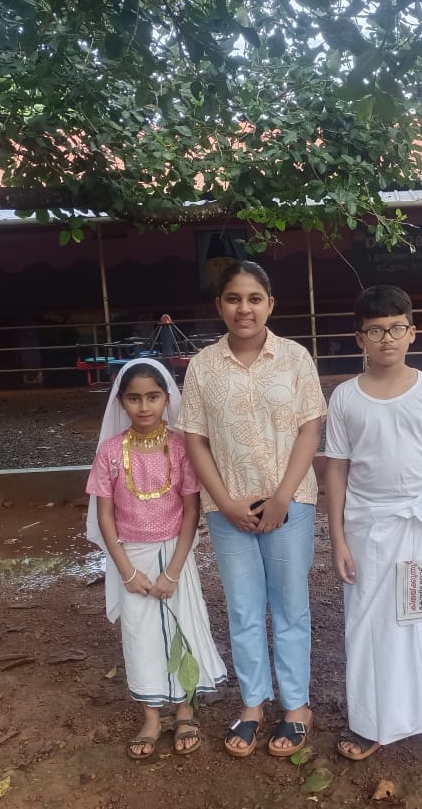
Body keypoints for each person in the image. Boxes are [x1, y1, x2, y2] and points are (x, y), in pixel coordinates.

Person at [177, 261, 326, 759]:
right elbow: (195, 439)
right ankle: (253, 704)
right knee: (242, 609)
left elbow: (310, 428)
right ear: (219, 305)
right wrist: (223, 502)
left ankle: (296, 706)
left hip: (290, 503)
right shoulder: (203, 367)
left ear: (270, 304)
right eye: (234, 298)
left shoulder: (295, 358)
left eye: (254, 298)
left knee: (289, 606)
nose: (245, 308)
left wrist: (282, 497)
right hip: (228, 508)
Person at [324, 285, 422, 763]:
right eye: (375, 331)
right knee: (372, 625)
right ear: (359, 338)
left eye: (395, 328)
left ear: (412, 332)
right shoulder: (345, 397)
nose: (386, 338)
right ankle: (373, 721)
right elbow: (336, 471)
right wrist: (337, 539)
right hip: (368, 527)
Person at [85, 359, 228, 760]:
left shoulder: (182, 448)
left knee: (185, 628)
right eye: (134, 398)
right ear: (121, 402)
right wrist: (126, 572)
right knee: (139, 635)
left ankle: (185, 712)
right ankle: (150, 718)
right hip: (130, 558)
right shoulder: (110, 452)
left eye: (153, 397)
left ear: (167, 398)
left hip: (175, 556)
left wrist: (173, 571)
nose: (144, 406)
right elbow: (105, 516)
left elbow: (191, 511)